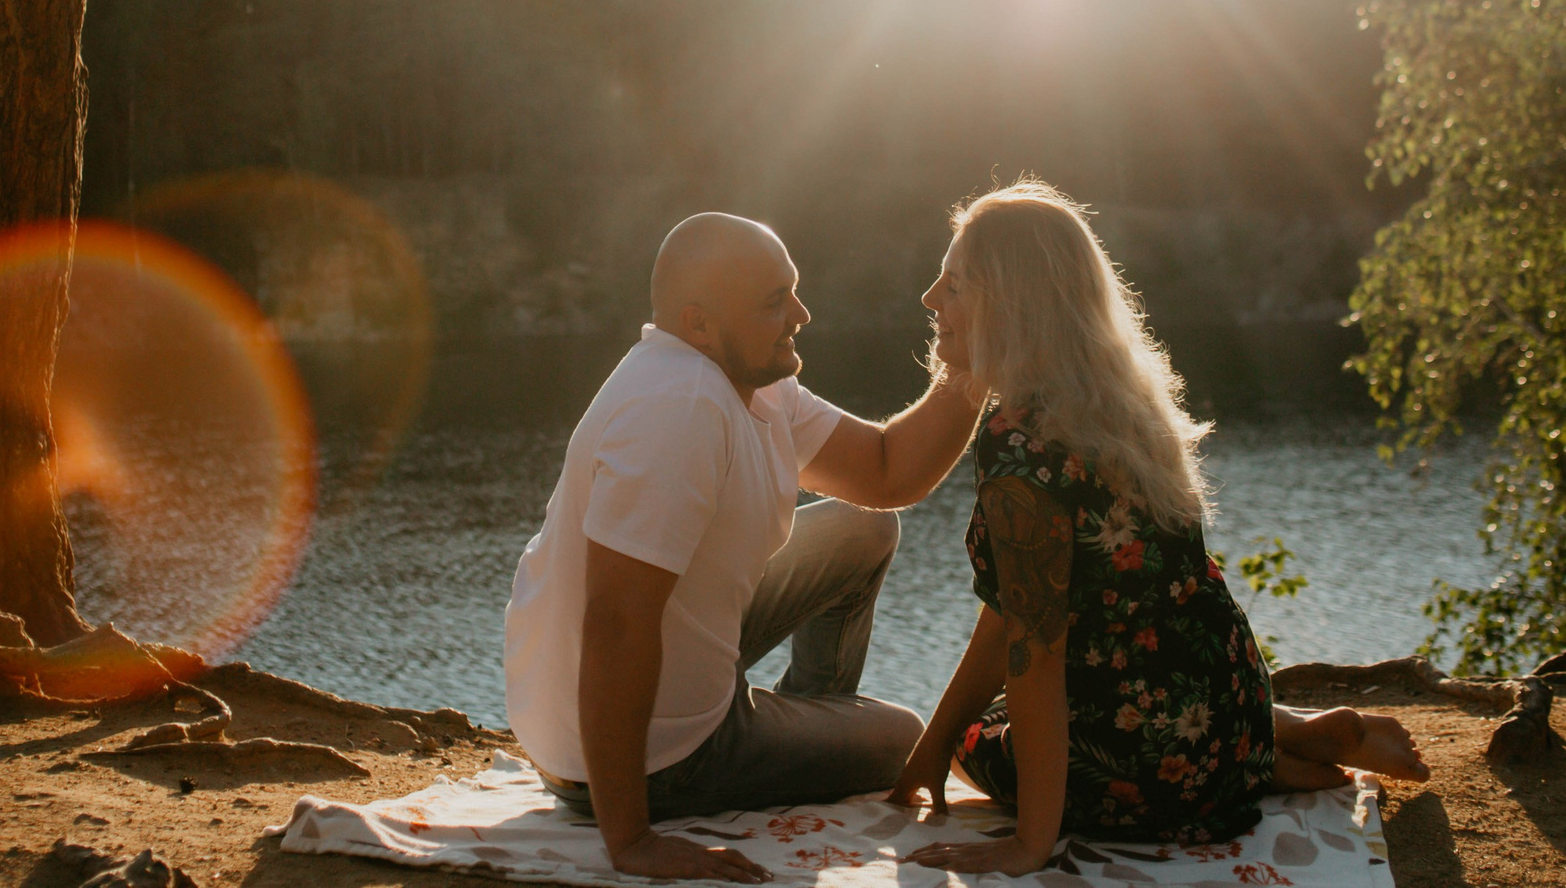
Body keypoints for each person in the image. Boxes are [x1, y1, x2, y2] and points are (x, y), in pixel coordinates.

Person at [890, 180, 1429, 878]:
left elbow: (1035, 650)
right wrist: (925, 750)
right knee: (1013, 704)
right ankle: (1271, 747)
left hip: (1160, 764)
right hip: (1228, 706)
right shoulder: (1119, 399)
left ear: (1013, 305)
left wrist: (1027, 842)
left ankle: (1271, 758)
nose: (930, 298)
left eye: (955, 284)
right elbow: (1014, 611)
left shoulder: (1019, 441)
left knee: (978, 735)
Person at [505, 211, 982, 883]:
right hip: (647, 756)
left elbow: (885, 471)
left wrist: (973, 360)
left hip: (651, 678)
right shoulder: (678, 408)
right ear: (699, 324)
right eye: (774, 302)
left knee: (862, 529)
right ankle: (778, 746)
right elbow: (615, 622)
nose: (801, 315)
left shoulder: (753, 381)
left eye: (794, 291)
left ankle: (801, 725)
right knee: (903, 738)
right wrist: (632, 840)